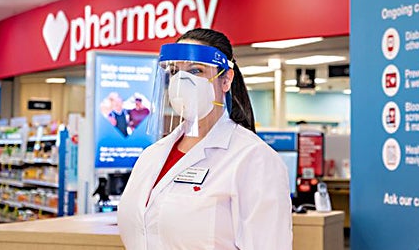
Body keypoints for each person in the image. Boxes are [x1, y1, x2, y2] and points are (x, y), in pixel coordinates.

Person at [118, 28, 293, 250]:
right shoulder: (151, 156)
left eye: (195, 70)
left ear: (226, 80)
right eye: (175, 72)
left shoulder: (254, 158)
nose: (182, 81)